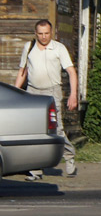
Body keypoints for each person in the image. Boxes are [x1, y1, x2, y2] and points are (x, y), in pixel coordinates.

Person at [14, 19, 78, 180]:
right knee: (34, 130)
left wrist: (73, 94)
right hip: (33, 91)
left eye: (47, 33)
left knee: (56, 128)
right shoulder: (29, 48)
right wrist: (15, 92)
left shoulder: (59, 48)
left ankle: (69, 157)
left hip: (52, 91)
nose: (44, 37)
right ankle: (35, 169)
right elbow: (23, 71)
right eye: (40, 34)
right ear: (36, 33)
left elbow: (71, 72)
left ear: (52, 33)